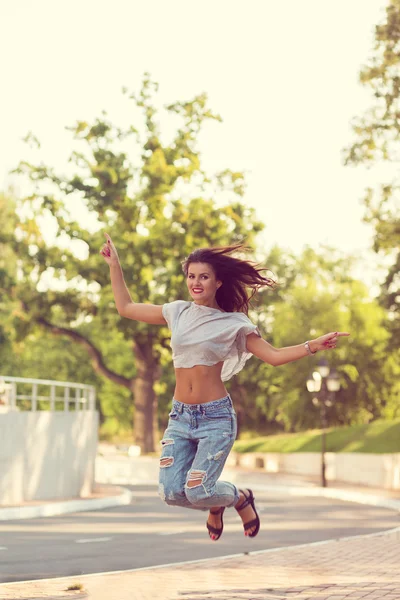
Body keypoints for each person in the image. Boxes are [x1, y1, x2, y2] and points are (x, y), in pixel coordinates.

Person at [100, 233, 349, 541]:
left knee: (198, 490)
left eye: (204, 276)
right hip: (180, 417)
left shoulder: (234, 323)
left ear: (218, 282)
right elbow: (126, 307)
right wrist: (115, 265)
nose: (196, 282)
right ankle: (223, 501)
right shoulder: (176, 312)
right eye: (191, 276)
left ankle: (238, 498)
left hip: (215, 418)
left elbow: (273, 356)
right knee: (171, 493)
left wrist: (313, 345)